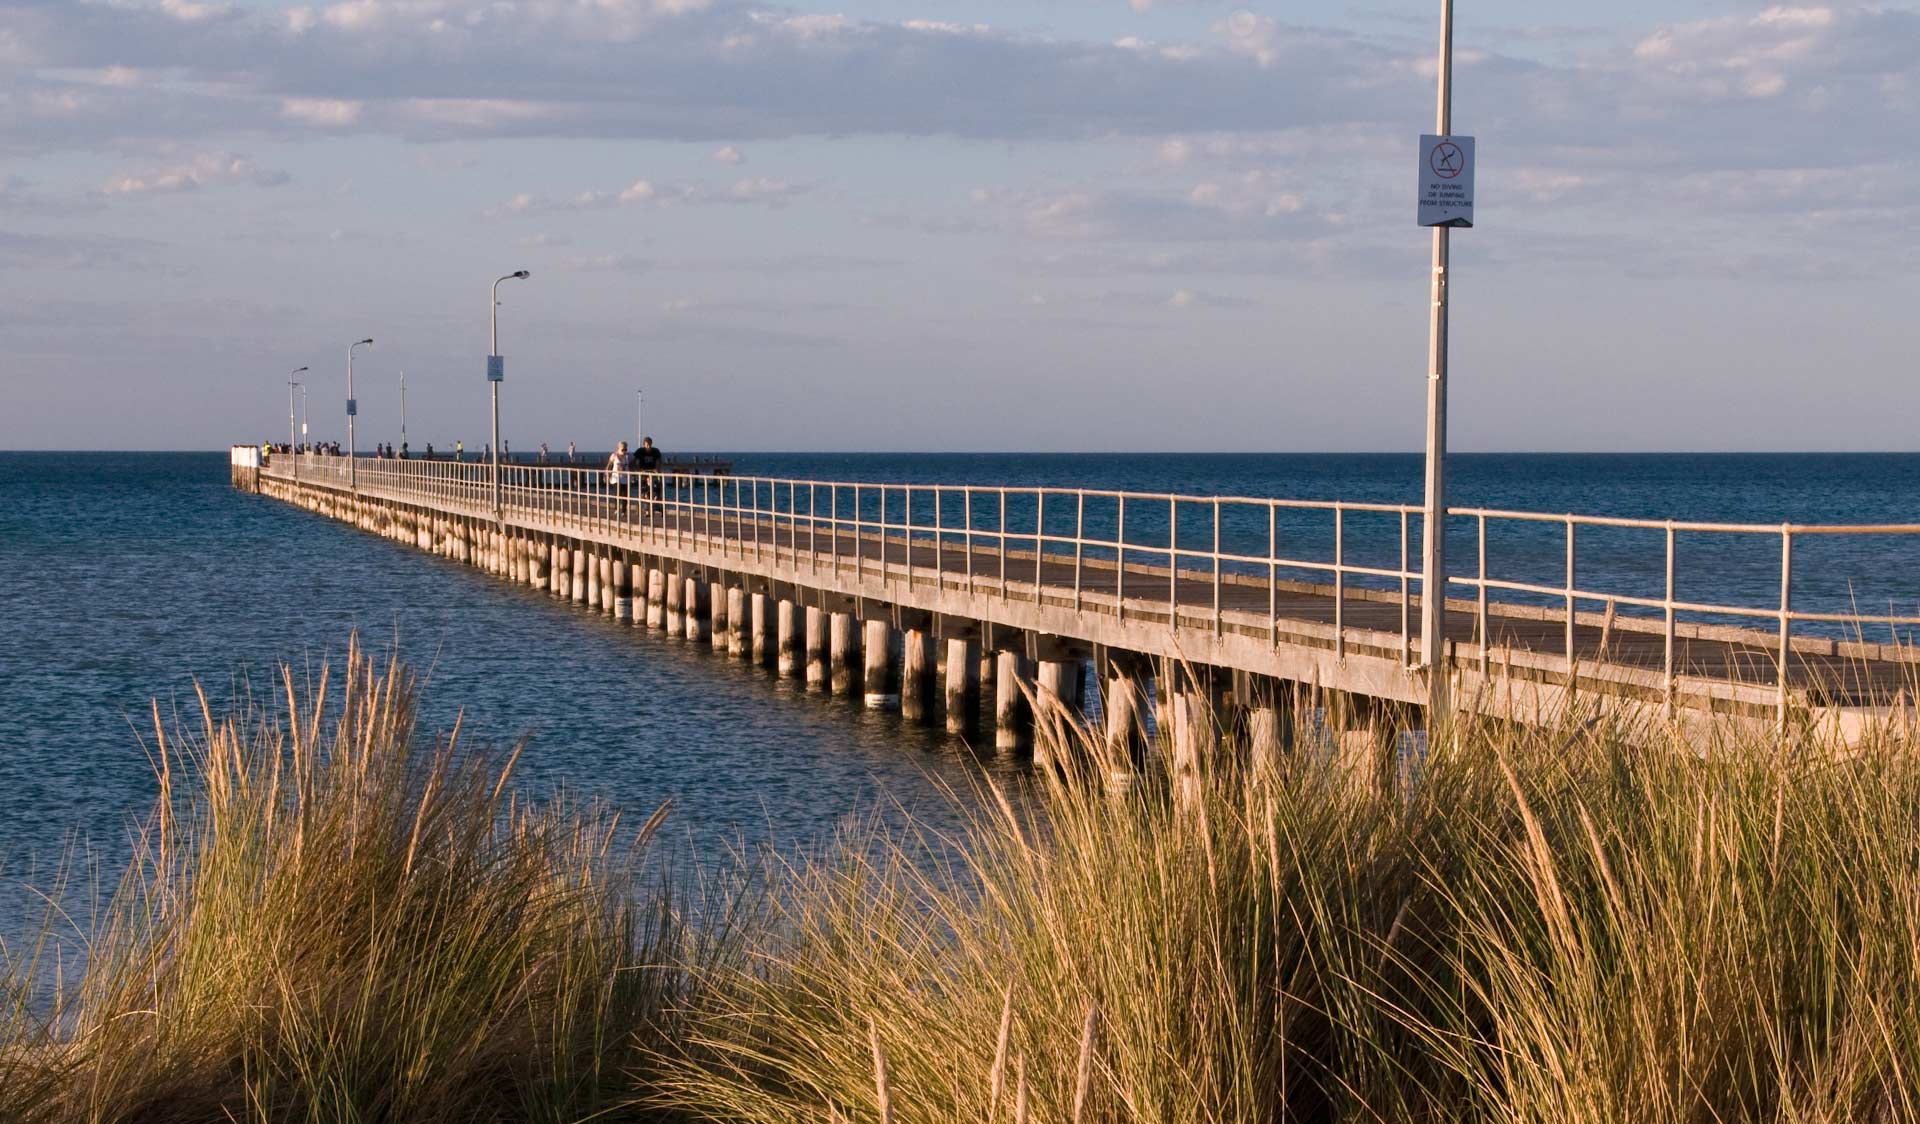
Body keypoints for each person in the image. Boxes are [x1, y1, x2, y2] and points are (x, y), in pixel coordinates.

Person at [632, 436, 663, 515]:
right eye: (646, 445)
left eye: (649, 445)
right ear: (644, 444)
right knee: (644, 492)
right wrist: (637, 470)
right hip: (643, 472)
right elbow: (634, 461)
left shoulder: (655, 451)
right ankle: (644, 509)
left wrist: (657, 470)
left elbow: (658, 461)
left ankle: (655, 507)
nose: (648, 446)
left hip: (653, 472)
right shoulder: (640, 451)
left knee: (656, 491)